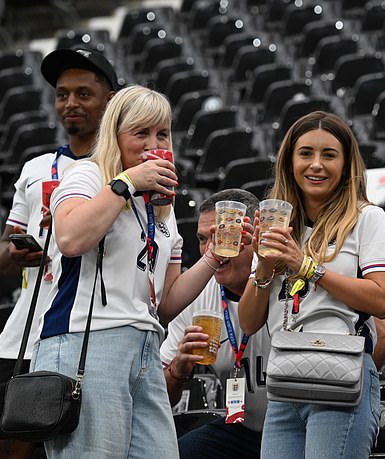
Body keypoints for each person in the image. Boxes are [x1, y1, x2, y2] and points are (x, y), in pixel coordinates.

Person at [30, 85, 249, 458]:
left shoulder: (162, 214)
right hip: (90, 341)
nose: (153, 143)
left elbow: (164, 305)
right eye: (140, 133)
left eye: (161, 133)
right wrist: (127, 182)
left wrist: (213, 258)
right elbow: (69, 238)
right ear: (116, 136)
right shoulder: (89, 175)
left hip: (146, 344)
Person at [238, 111, 385, 459]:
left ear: (346, 164)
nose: (316, 165)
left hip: (344, 375)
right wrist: (265, 266)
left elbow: (383, 299)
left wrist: (307, 268)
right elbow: (250, 323)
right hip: (286, 379)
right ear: (289, 161)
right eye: (306, 153)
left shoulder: (367, 218)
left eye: (329, 154)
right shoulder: (278, 225)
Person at [0, 47, 117, 459]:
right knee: (14, 440)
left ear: (109, 100)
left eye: (84, 94)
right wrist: (15, 255)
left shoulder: (123, 174)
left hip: (92, 334)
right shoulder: (34, 168)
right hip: (24, 334)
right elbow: (4, 248)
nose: (70, 103)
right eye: (62, 94)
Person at [161, 189, 269, 459]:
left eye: (223, 235)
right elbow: (160, 396)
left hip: (294, 426)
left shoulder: (283, 279)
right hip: (241, 427)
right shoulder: (193, 294)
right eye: (202, 239)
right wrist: (178, 369)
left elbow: (379, 337)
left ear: (251, 235)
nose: (212, 249)